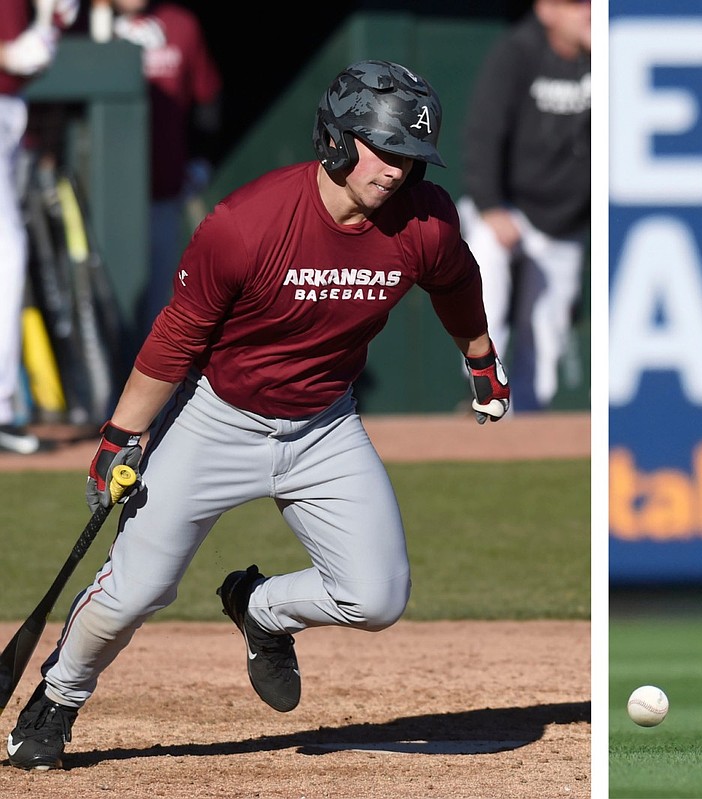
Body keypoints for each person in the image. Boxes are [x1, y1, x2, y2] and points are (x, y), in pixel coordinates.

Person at [3, 59, 510, 771]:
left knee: (377, 596)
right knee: (137, 589)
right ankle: (57, 696)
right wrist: (120, 435)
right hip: (217, 418)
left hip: (325, 424)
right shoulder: (245, 225)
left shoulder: (424, 221)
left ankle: (259, 608)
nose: (400, 171)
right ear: (335, 139)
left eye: (413, 157)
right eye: (386, 150)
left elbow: (457, 282)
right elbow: (176, 336)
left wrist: (480, 358)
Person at [457, 0, 590, 412]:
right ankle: (484, 386)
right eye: (575, 5)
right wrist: (490, 205)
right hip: (507, 206)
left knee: (546, 332)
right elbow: (483, 132)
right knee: (485, 280)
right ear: (546, 10)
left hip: (565, 220)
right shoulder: (517, 52)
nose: (587, 12)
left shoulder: (611, 58)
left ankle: (530, 424)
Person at [105, 0, 222, 343]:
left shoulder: (180, 23)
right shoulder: (82, 22)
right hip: (97, 198)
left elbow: (207, 98)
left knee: (158, 312)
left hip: (163, 190)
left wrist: (202, 159)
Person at [0, 0, 78, 454]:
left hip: (11, 105)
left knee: (9, 254)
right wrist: (8, 55)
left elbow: (57, 21)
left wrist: (49, 24)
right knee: (7, 255)